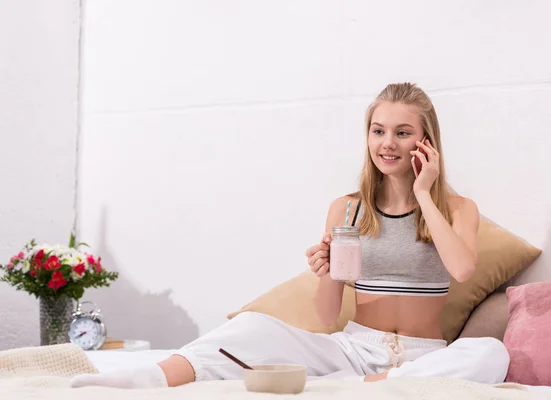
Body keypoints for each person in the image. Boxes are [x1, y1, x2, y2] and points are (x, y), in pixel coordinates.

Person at [70, 83, 509, 389]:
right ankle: (152, 376)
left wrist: (423, 193)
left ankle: (370, 387)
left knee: (490, 353)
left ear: (426, 141)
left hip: (424, 355)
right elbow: (324, 317)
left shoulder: (455, 209)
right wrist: (326, 272)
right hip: (353, 349)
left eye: (402, 132)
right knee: (251, 326)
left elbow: (463, 268)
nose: (387, 143)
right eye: (378, 131)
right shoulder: (349, 208)